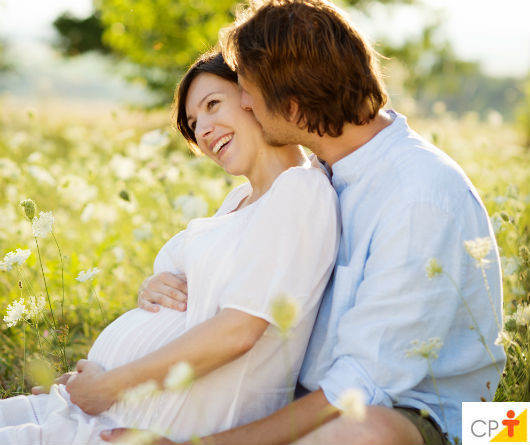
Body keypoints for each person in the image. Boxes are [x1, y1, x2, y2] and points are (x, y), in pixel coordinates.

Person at [103, 1, 506, 444]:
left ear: (293, 104)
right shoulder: (315, 177)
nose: (245, 102)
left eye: (249, 91)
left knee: (363, 433)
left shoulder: (418, 194)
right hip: (309, 400)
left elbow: (361, 384)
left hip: (434, 419)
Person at [0, 50, 340, 444]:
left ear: (255, 96)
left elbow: (239, 331)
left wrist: (110, 386)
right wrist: (154, 286)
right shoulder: (242, 199)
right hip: (92, 408)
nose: (204, 130)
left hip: (136, 427)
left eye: (213, 105)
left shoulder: (300, 189)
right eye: (194, 123)